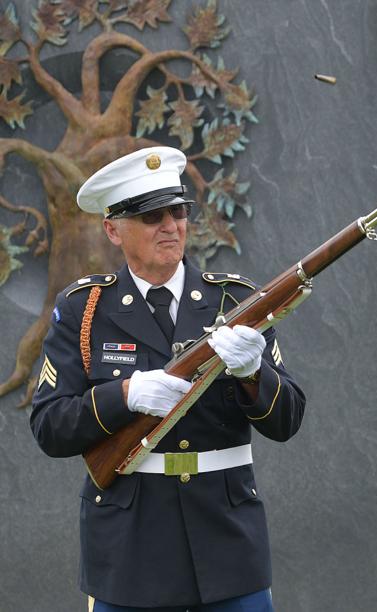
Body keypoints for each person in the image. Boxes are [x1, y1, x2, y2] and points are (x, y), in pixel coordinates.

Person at [29, 146, 305, 611]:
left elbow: (288, 420)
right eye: (151, 215)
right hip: (130, 550)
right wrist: (125, 395)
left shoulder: (234, 303)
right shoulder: (84, 311)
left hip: (228, 546)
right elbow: (50, 426)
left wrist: (254, 374)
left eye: (177, 211)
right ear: (112, 229)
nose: (170, 226)